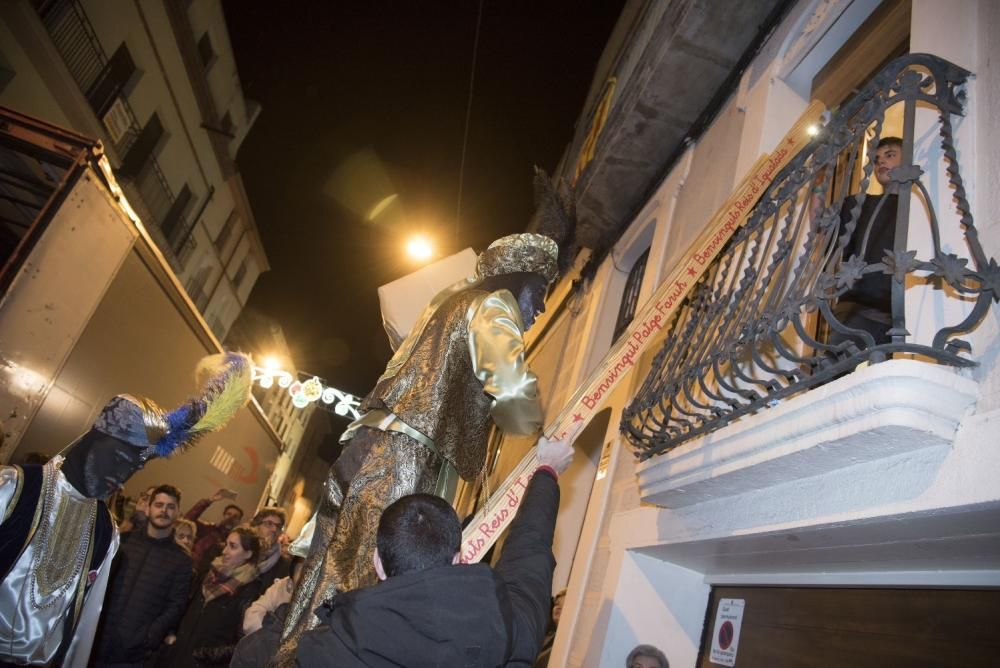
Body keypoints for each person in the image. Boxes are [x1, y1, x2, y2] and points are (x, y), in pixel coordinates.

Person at [281, 233, 561, 657]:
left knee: (326, 576)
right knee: (380, 585)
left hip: (367, 448)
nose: (540, 307)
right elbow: (514, 391)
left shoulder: (441, 308)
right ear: (518, 278)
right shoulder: (492, 304)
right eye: (540, 291)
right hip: (407, 459)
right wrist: (541, 435)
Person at [0, 352, 252, 667]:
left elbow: (83, 626)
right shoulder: (15, 489)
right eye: (119, 458)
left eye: (134, 467)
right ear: (95, 437)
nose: (122, 476)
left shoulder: (105, 530)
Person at [295, 435, 574, 667]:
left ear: (378, 562)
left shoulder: (322, 653)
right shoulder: (504, 631)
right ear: (458, 559)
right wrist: (547, 471)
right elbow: (529, 557)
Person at [93, 484, 193, 667]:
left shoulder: (182, 560)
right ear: (148, 509)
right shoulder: (123, 541)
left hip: (132, 655)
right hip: (94, 640)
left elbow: (176, 605)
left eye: (171, 507)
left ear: (178, 513)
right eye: (159, 504)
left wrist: (149, 637)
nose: (164, 510)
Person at [829, 136, 904, 347]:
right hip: (857, 308)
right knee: (831, 369)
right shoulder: (857, 204)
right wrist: (818, 186)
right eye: (877, 158)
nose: (881, 162)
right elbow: (822, 227)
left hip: (900, 313)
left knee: (889, 379)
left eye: (889, 155)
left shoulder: (918, 209)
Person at [163, 526, 262, 667]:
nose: (224, 551)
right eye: (226, 544)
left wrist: (206, 656)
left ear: (248, 554)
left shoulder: (249, 591)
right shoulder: (209, 574)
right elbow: (184, 606)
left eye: (232, 547)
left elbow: (243, 642)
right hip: (177, 655)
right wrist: (172, 633)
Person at [229, 558, 306, 668]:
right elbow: (253, 616)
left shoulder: (334, 640)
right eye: (304, 582)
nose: (315, 591)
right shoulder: (255, 647)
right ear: (290, 585)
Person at [185, 488, 244, 573]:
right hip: (190, 568)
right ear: (223, 515)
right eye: (229, 514)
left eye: (235, 517)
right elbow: (188, 520)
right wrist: (209, 501)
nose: (231, 518)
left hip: (208, 579)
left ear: (239, 521)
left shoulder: (234, 543)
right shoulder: (209, 529)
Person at [532, 588, 567, 667]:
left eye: (563, 604)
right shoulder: (547, 635)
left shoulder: (567, 642)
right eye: (557, 604)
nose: (558, 607)